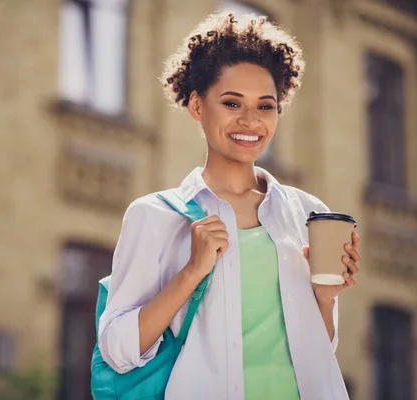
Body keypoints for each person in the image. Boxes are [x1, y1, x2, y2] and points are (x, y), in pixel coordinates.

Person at [97, 10, 361, 400]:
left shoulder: (307, 213)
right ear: (197, 107)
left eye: (265, 106)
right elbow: (117, 350)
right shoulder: (155, 216)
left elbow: (315, 356)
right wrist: (191, 273)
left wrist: (324, 299)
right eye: (232, 103)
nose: (251, 121)